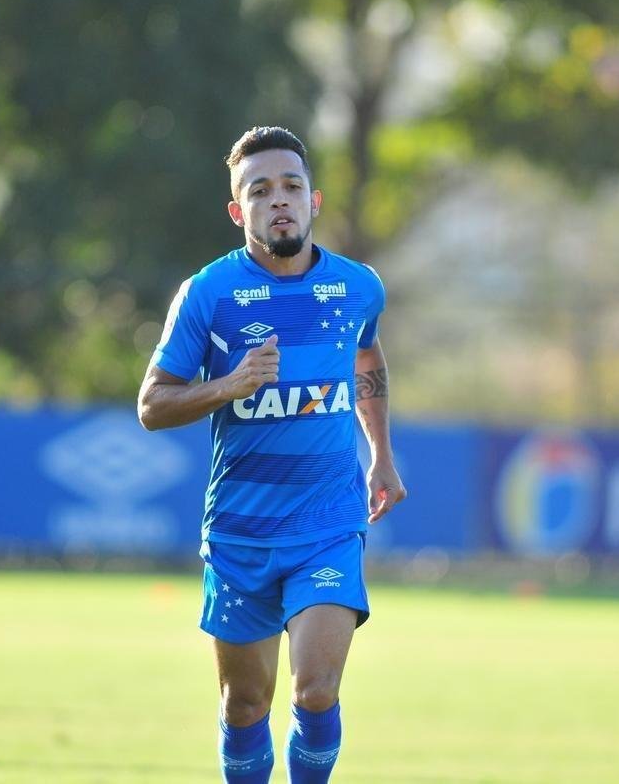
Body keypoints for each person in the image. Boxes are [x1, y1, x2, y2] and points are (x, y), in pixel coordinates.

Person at [137, 126, 406, 782]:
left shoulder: (356, 288)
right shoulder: (209, 294)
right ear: (238, 211)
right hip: (240, 530)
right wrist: (231, 383)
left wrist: (382, 454)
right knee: (245, 702)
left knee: (315, 689)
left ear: (313, 199)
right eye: (260, 191)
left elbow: (366, 352)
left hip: (327, 522)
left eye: (290, 186)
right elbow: (152, 403)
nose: (278, 200)